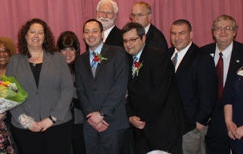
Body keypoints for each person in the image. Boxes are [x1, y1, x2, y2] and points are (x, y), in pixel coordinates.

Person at [6, 18, 74, 154]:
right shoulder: (14, 62)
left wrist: (52, 118)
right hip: (25, 128)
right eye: (32, 32)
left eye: (40, 32)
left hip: (58, 125)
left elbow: (67, 89)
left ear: (45, 37)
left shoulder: (58, 58)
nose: (36, 36)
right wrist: (27, 121)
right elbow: (10, 94)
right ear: (25, 36)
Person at [122, 22, 187, 154]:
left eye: (132, 40)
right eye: (125, 41)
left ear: (143, 38)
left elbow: (160, 94)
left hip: (163, 128)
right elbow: (128, 94)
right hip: (141, 130)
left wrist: (140, 118)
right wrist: (130, 117)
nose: (128, 44)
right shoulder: (127, 61)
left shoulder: (157, 56)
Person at [75, 19, 129, 154]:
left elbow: (120, 86)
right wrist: (92, 117)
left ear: (102, 34)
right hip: (90, 123)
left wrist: (101, 114)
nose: (90, 35)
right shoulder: (80, 60)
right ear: (83, 36)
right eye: (86, 32)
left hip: (113, 121)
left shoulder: (117, 53)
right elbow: (80, 91)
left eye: (94, 31)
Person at [201, 15, 243, 154]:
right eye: (219, 28)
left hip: (239, 117)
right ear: (213, 32)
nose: (223, 31)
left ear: (235, 32)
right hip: (212, 119)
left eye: (228, 28)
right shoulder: (202, 53)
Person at [168, 19, 217, 154]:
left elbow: (209, 94)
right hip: (169, 126)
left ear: (191, 34)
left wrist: (200, 122)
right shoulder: (167, 55)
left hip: (191, 127)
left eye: (181, 33)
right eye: (173, 33)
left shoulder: (202, 58)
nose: (177, 38)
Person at [56, 30, 86, 154]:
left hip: (80, 122)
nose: (68, 53)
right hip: (59, 123)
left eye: (71, 49)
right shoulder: (52, 71)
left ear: (77, 50)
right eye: (64, 49)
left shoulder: (84, 69)